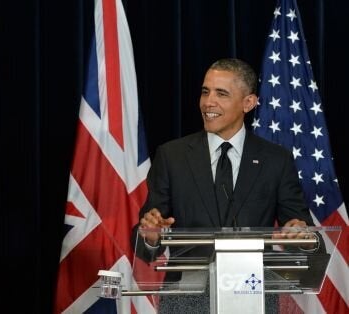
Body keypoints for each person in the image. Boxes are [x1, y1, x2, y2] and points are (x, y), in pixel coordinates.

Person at [134, 58, 316, 312]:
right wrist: (151, 237)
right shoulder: (172, 156)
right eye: (205, 91)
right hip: (186, 300)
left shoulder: (276, 160)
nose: (208, 102)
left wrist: (301, 234)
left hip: (253, 296)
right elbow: (146, 242)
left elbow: (304, 232)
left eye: (221, 94)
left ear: (248, 103)